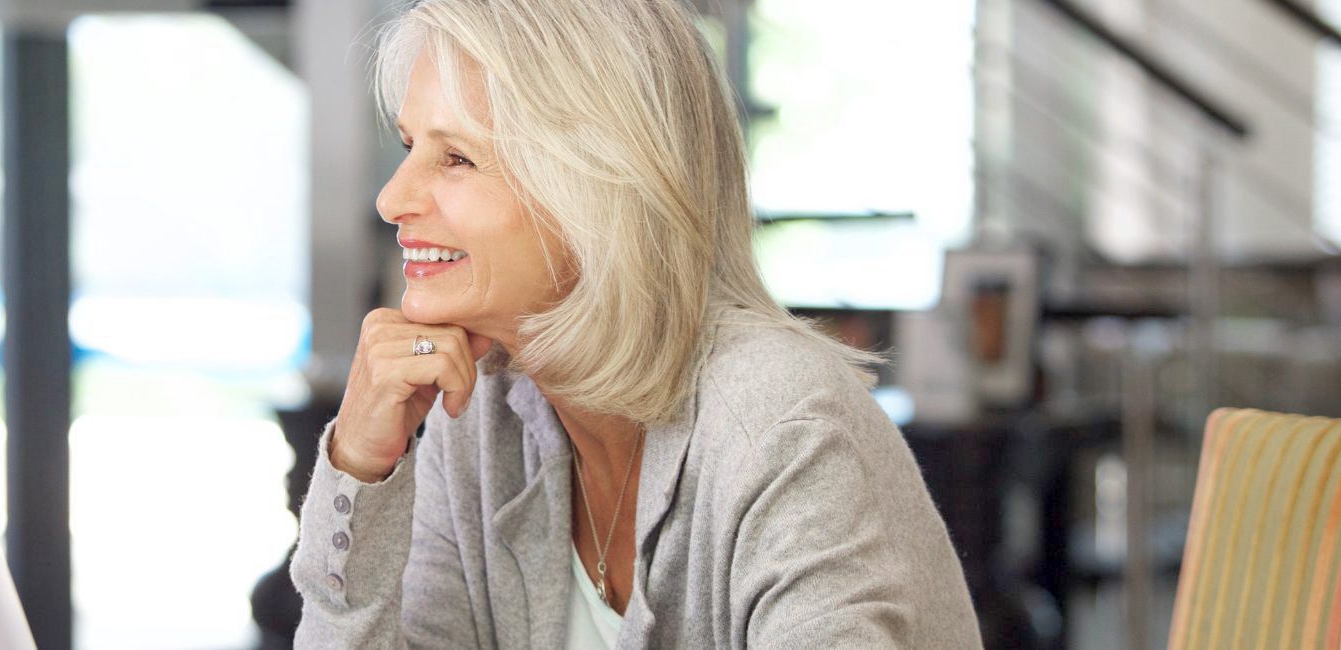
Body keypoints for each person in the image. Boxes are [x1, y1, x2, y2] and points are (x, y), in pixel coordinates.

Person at [289, 0, 980, 648]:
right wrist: (357, 468)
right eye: (410, 145)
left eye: (457, 157)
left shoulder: (779, 423)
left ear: (601, 185)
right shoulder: (477, 414)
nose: (392, 198)